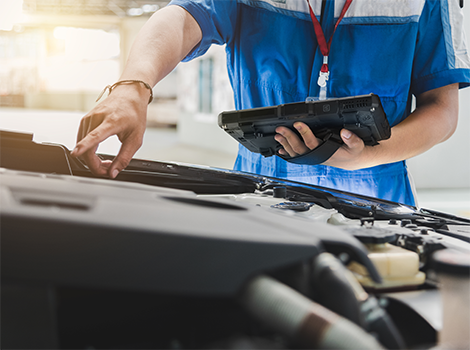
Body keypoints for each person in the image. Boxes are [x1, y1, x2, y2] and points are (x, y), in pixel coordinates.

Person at [71, 0, 470, 206]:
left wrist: (365, 155)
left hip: (376, 202)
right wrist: (133, 87)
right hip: (261, 194)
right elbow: (180, 18)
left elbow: (442, 109)